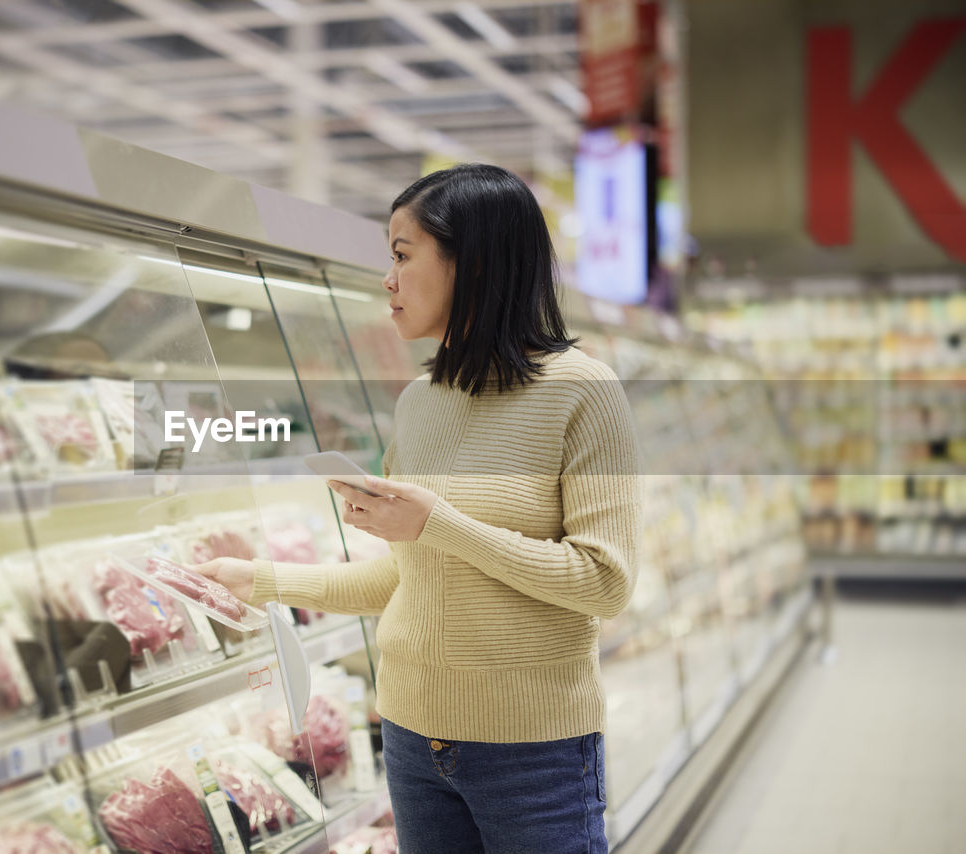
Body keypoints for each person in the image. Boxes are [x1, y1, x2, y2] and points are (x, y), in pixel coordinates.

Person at [197, 163, 642, 854]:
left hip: (534, 753)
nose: (388, 279)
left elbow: (605, 581)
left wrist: (441, 524)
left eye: (403, 255)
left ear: (476, 261)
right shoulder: (418, 403)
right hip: (410, 735)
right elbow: (408, 580)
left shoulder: (584, 392)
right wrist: (257, 581)